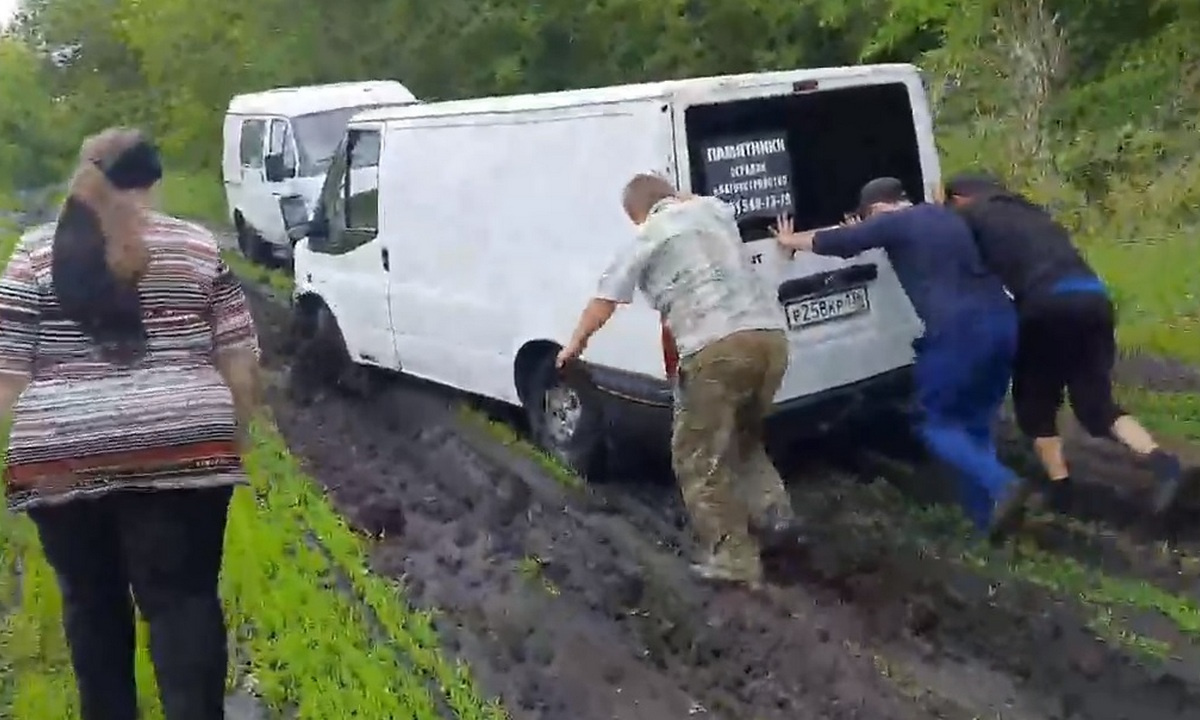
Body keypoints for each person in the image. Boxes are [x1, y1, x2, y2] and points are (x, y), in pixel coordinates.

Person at [0, 128, 262, 720]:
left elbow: (6, 374)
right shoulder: (197, 247)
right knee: (183, 604)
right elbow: (241, 363)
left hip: (58, 460)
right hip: (183, 447)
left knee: (91, 606)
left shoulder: (33, 254)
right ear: (153, 183)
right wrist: (231, 437)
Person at [556, 173, 799, 587]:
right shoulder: (714, 211)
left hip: (714, 348)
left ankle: (734, 559)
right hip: (770, 340)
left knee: (696, 456)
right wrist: (673, 194)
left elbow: (604, 302)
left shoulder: (644, 238)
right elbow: (690, 199)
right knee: (742, 436)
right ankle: (775, 516)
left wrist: (572, 347)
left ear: (634, 214)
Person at [771, 177, 1031, 536]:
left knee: (934, 422)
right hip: (1003, 322)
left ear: (878, 208)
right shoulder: (943, 216)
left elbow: (840, 242)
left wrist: (789, 241)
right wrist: (869, 230)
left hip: (958, 331)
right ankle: (987, 523)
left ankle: (1002, 484)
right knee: (973, 423)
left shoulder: (894, 222)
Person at [944, 172, 1188, 516]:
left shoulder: (969, 216)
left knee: (1034, 404)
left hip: (1046, 306)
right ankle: (1163, 464)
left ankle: (1061, 490)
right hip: (1093, 298)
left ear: (958, 198)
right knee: (1095, 405)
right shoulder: (1031, 211)